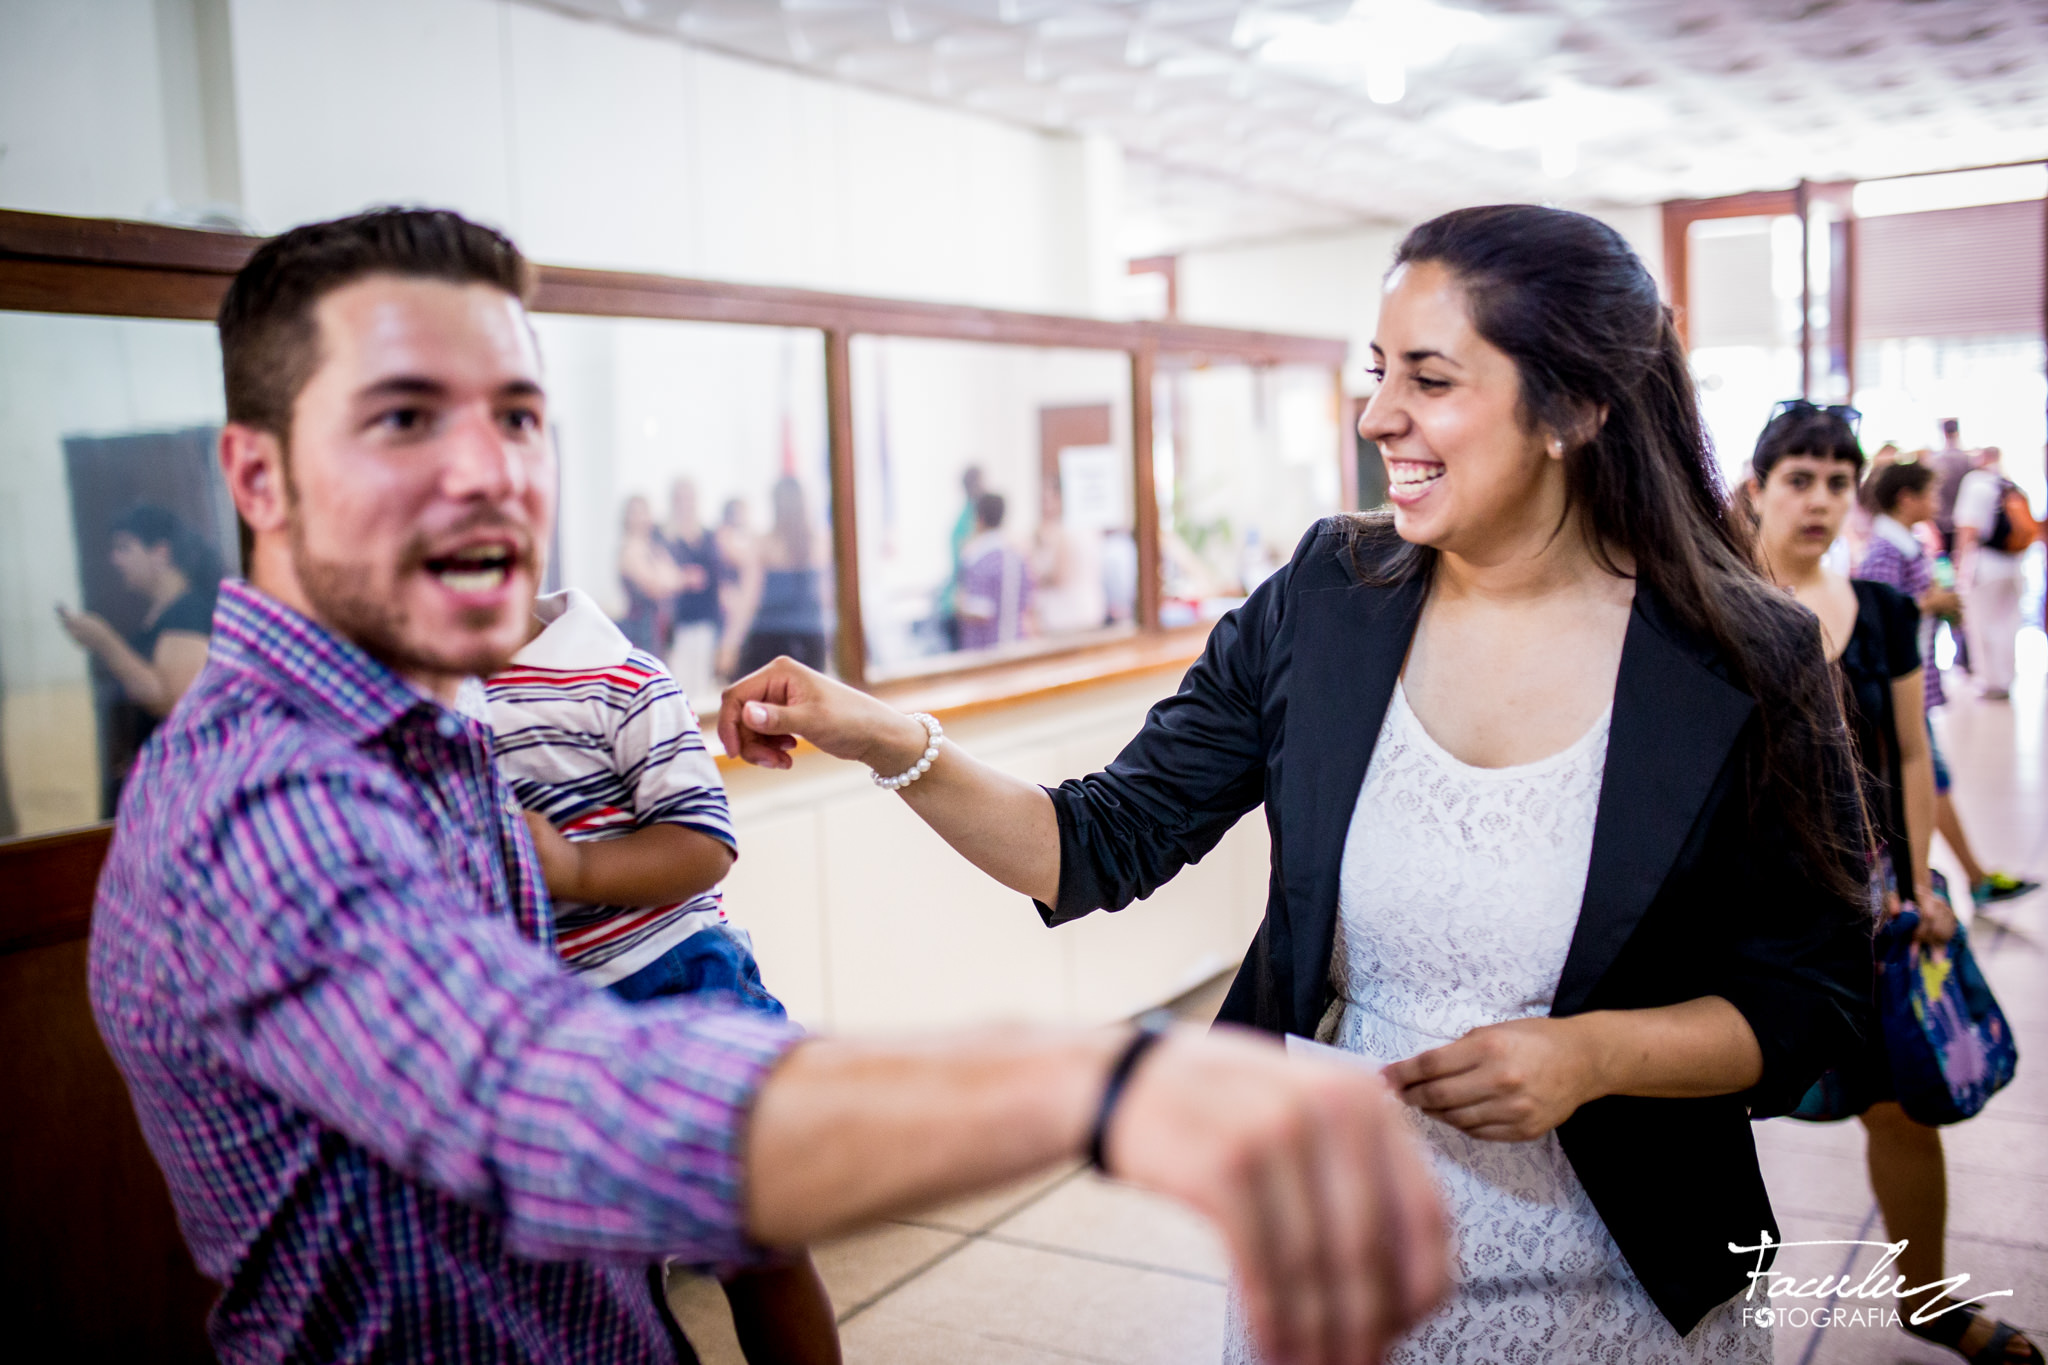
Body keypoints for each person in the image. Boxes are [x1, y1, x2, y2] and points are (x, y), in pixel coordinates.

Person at [88, 208, 1449, 1365]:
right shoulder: (261, 803)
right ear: (257, 473)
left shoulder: (429, 735)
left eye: (517, 414)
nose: (488, 469)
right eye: (402, 418)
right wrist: (1102, 1086)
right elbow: (542, 1105)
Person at [721, 204, 1874, 1363]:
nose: (1378, 417)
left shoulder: (1740, 657)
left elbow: (1812, 997)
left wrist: (1590, 1057)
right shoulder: (1327, 597)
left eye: (1429, 379)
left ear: (1571, 409)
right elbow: (1091, 842)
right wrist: (880, 737)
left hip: (1624, 1275)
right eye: (1377, 374)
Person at [474, 585, 838, 1365]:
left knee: (759, 1245)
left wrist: (572, 864)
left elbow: (703, 843)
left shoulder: (619, 677)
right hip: (553, 1015)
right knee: (612, 1276)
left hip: (676, 980)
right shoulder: (431, 697)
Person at [1749, 407, 2042, 1365]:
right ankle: (1713, 1315)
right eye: (1800, 478)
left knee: (1900, 1102)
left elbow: (1914, 754)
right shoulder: (1718, 608)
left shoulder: (1879, 613)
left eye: (1837, 482)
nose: (1820, 500)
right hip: (1749, 910)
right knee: (1710, 1105)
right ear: (1758, 487)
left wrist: (1921, 881)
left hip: (1868, 899)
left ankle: (1924, 1293)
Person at [1857, 461, 2039, 908]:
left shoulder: (1905, 547)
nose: (1937, 503)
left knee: (1932, 781)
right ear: (1906, 498)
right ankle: (1935, 883)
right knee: (1929, 780)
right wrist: (1930, 603)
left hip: (1913, 687)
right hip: (1899, 695)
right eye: (1929, 493)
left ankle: (1954, 878)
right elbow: (1877, 625)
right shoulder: (1885, 552)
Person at [57, 502, 223, 808]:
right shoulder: (159, 614)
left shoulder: (188, 612)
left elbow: (167, 699)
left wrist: (104, 640)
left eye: (124, 547)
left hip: (182, 790)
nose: (115, 559)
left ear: (160, 552)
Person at [724, 475, 830, 677]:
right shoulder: (820, 544)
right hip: (811, 639)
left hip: (770, 641)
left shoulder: (763, 545)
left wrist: (730, 644)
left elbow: (748, 600)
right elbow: (827, 598)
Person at [1953, 446, 2024, 700]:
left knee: (1983, 623)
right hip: (2014, 564)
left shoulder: (1975, 484)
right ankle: (2007, 678)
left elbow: (1968, 529)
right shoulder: (2008, 484)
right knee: (2008, 623)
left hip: (1987, 564)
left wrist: (1960, 563)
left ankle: (1992, 681)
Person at [660, 477, 724, 711]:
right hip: (678, 625)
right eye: (681, 498)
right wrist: (682, 578)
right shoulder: (665, 537)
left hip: (706, 620)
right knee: (680, 686)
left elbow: (718, 579)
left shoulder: (709, 536)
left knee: (703, 686)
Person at [956, 491, 1032, 650]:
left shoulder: (976, 558)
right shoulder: (1018, 557)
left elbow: (979, 610)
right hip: (1016, 642)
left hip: (985, 649)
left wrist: (959, 605)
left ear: (979, 519)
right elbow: (1027, 602)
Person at [1031, 482, 1108, 635]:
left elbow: (1060, 577)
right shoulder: (1089, 528)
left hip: (1067, 617)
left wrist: (1035, 579)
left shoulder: (1065, 532)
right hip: (1090, 609)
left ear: (1060, 499)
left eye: (1047, 500)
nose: (1044, 507)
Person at [617, 492, 683, 655]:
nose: (640, 518)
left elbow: (677, 579)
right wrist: (666, 579)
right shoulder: (629, 550)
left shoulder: (655, 547)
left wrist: (668, 580)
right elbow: (654, 587)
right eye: (635, 513)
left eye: (644, 512)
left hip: (661, 627)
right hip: (641, 629)